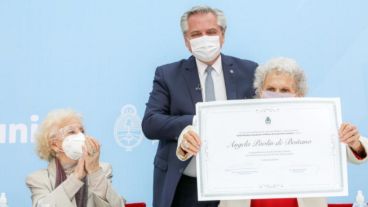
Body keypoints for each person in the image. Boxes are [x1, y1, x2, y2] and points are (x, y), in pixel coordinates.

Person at [141, 5, 258, 207]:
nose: (205, 39)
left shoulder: (249, 71)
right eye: (196, 34)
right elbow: (150, 123)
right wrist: (195, 122)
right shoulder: (168, 75)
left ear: (223, 35)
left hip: (237, 185)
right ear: (187, 41)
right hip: (186, 186)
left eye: (211, 32)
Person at [217, 57, 368, 207]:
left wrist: (354, 142)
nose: (276, 94)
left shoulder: (317, 121)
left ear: (298, 94)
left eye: (284, 90)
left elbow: (361, 152)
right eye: (270, 89)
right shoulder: (239, 121)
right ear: (260, 91)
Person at [26, 109, 124, 207]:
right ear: (55, 145)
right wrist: (75, 178)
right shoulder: (38, 179)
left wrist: (95, 171)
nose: (81, 136)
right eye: (72, 132)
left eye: (82, 131)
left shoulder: (102, 170)